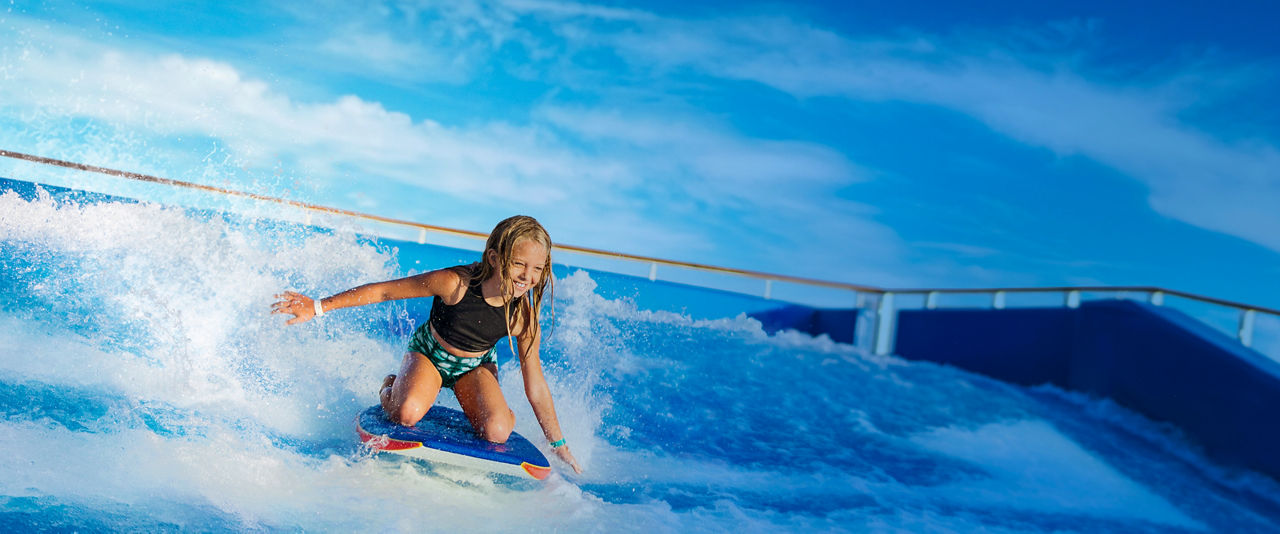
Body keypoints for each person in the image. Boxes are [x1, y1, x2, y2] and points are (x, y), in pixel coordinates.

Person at [271, 215, 582, 474]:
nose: (528, 277)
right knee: (406, 413)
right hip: (430, 354)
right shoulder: (455, 283)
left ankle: (495, 408)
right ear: (494, 258)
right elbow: (384, 292)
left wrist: (558, 445)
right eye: (519, 264)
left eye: (537, 269)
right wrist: (318, 306)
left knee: (498, 431)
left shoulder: (523, 318)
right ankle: (390, 387)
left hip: (474, 367)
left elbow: (536, 385)